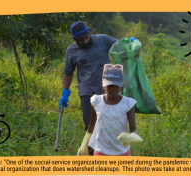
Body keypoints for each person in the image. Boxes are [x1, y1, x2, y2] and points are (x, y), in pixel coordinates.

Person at [59, 21, 119, 155]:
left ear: (89, 33)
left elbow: (121, 45)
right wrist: (65, 92)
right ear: (74, 40)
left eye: (86, 37)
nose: (85, 41)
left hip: (108, 90)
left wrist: (129, 42)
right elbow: (68, 72)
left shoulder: (103, 39)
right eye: (80, 40)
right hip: (87, 93)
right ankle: (93, 155)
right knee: (90, 124)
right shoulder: (71, 51)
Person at [77, 64, 143, 156]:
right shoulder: (96, 101)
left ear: (122, 84)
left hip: (122, 152)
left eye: (116, 85)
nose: (113, 88)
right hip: (101, 151)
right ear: (103, 84)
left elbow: (133, 128)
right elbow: (92, 123)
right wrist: (84, 144)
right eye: (110, 85)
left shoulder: (128, 104)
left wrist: (132, 136)